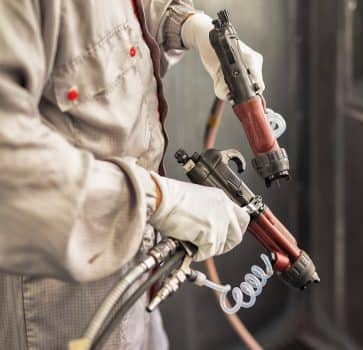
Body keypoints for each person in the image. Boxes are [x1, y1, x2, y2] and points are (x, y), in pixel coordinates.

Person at [0, 1, 265, 349]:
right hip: (62, 300)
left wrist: (186, 25)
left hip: (141, 271)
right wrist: (158, 200)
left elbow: (117, 21)